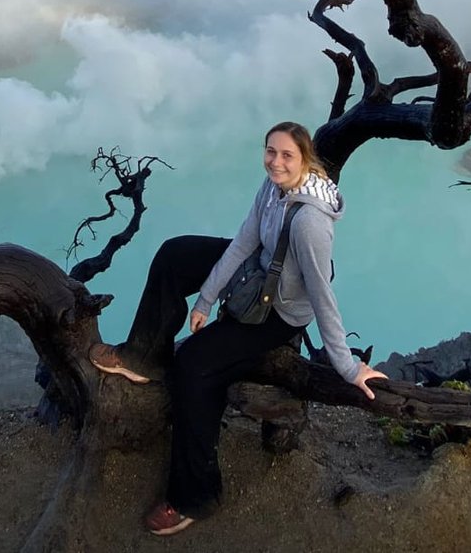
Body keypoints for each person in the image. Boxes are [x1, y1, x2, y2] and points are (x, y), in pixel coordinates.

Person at [88, 120, 387, 536]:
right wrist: (205, 299)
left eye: (287, 155)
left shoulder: (309, 223)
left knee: (194, 365)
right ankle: (144, 356)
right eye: (271, 151)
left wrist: (348, 367)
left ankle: (195, 496)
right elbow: (244, 240)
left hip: (278, 311)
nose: (275, 162)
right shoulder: (273, 186)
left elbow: (322, 296)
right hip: (258, 271)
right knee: (175, 255)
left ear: (304, 160)